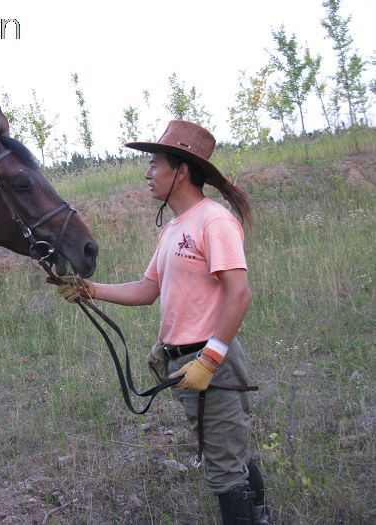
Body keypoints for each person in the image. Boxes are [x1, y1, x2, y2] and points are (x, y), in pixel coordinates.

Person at [52, 120, 272, 524]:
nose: (148, 172)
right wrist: (89, 290)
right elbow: (148, 288)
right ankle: (261, 515)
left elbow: (239, 293)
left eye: (155, 164)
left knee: (222, 468)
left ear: (182, 171)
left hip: (210, 363)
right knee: (224, 450)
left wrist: (210, 359)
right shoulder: (172, 229)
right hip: (185, 364)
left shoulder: (214, 221)